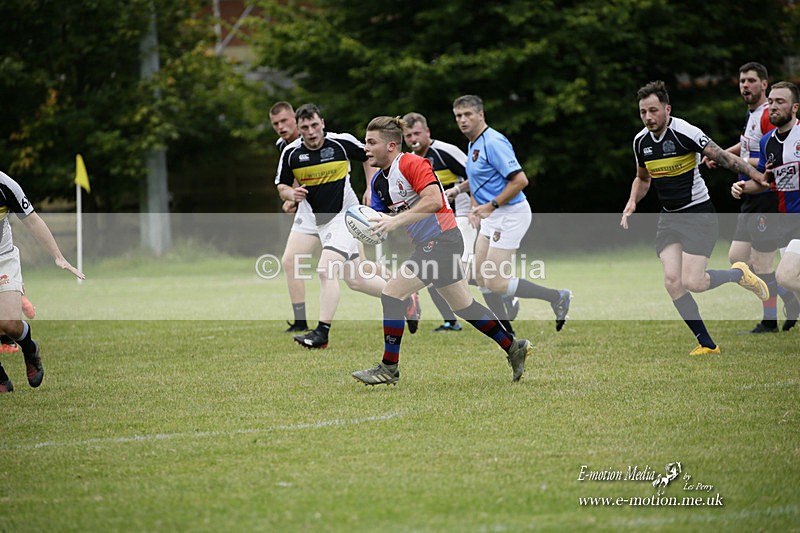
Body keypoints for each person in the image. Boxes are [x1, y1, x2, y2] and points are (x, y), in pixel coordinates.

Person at [351, 116, 533, 385]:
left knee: (392, 293)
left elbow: (435, 200)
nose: (365, 148)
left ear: (391, 146)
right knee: (463, 304)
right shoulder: (379, 183)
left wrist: (395, 220)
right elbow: (374, 222)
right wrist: (362, 229)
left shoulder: (413, 163)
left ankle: (389, 367)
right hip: (430, 245)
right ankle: (513, 347)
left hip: (443, 240)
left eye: (371, 142)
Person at [621, 80, 771, 355]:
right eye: (643, 112)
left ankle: (738, 274)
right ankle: (707, 344)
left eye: (653, 110)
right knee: (671, 281)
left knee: (694, 282)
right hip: (669, 218)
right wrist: (632, 201)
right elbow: (642, 179)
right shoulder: (640, 142)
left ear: (667, 109)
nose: (648, 117)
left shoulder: (684, 132)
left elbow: (725, 158)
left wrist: (757, 176)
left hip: (698, 214)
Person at [276, 104, 414, 349]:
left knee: (325, 269)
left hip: (344, 217)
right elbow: (282, 185)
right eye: (305, 127)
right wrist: (291, 194)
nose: (311, 131)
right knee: (357, 279)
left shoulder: (341, 143)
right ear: (299, 128)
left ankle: (321, 333)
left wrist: (371, 187)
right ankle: (403, 296)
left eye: (315, 125)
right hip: (314, 218)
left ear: (323, 123)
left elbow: (371, 156)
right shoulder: (290, 152)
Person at [452, 95, 571, 334]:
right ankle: (507, 332)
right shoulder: (473, 143)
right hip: (493, 215)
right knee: (479, 276)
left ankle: (557, 296)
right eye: (458, 116)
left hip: (509, 214)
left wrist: (491, 205)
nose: (463, 120)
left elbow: (520, 180)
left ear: (481, 115)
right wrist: (457, 189)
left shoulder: (493, 142)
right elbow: (481, 178)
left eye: (468, 114)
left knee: (494, 281)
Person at [703, 63, 799, 333]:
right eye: (742, 80)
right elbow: (751, 147)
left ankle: (770, 320)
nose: (745, 85)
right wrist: (721, 154)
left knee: (762, 263)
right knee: (738, 258)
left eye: (751, 81)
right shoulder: (754, 115)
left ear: (764, 84)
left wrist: (734, 161)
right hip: (752, 194)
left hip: (766, 199)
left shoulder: (770, 115)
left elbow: (769, 161)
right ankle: (788, 297)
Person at [0, 170, 85, 393]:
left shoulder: (5, 185)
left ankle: (29, 347)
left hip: (3, 258)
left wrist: (59, 257)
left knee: (9, 324)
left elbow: (33, 221)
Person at [402, 111, 485, 332]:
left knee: (460, 275)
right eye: (408, 135)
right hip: (437, 226)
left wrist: (470, 201)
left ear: (427, 132)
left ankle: (498, 293)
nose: (413, 139)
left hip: (462, 217)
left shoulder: (445, 151)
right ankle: (452, 321)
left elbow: (477, 174)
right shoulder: (410, 162)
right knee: (439, 274)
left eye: (417, 133)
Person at [732, 81, 800, 310]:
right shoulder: (767, 142)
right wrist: (742, 187)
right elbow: (764, 183)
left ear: (794, 107)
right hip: (784, 222)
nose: (773, 106)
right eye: (771, 101)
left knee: (786, 277)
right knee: (793, 287)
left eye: (780, 102)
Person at [269, 101, 318, 333]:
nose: (280, 126)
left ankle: (401, 294)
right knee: (291, 261)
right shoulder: (283, 146)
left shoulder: (317, 139)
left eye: (284, 121)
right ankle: (300, 321)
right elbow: (292, 175)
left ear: (295, 120)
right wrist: (292, 196)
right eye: (275, 123)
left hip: (334, 211)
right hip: (309, 213)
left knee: (356, 272)